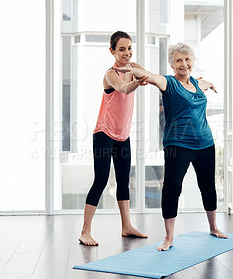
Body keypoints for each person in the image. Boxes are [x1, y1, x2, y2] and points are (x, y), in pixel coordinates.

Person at [115, 42, 228, 251]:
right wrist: (132, 69)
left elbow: (205, 84)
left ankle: (213, 227)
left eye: (187, 59)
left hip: (205, 143)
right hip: (178, 145)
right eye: (178, 60)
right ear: (172, 65)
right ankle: (168, 238)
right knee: (172, 189)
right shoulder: (168, 83)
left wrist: (210, 84)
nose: (183, 63)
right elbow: (152, 76)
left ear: (192, 62)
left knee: (208, 186)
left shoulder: (197, 83)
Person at [79, 31, 148, 246]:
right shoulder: (110, 74)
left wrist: (183, 79)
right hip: (104, 133)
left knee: (124, 180)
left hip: (123, 134)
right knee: (100, 180)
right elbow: (125, 89)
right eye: (122, 49)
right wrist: (139, 79)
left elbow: (154, 77)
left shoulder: (134, 66)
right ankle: (85, 231)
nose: (127, 53)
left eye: (129, 48)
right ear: (112, 51)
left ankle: (126, 226)